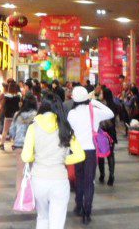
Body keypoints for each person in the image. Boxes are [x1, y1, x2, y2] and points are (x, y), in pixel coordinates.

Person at [22, 92, 85, 229]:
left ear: (42, 106)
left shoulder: (33, 127)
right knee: (57, 222)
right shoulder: (65, 128)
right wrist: (63, 159)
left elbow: (26, 157)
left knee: (42, 217)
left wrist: (37, 157)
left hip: (38, 179)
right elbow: (80, 155)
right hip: (59, 180)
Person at [67, 86, 114, 224]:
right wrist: (94, 102)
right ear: (86, 97)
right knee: (89, 182)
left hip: (77, 151)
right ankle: (87, 213)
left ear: (73, 99)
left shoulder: (71, 114)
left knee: (79, 180)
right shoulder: (94, 112)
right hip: (91, 151)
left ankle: (79, 206)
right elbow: (110, 113)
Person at [9, 93, 38, 191]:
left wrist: (15, 137)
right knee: (33, 172)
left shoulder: (17, 114)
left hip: (19, 146)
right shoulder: (37, 115)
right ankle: (30, 198)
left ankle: (19, 198)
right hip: (33, 147)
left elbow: (12, 131)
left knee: (20, 173)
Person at [97, 87, 118, 186]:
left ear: (104, 95)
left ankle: (103, 175)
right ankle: (111, 175)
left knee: (102, 154)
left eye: (101, 93)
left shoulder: (102, 106)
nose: (100, 94)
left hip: (103, 133)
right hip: (111, 133)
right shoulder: (114, 105)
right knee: (110, 154)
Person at [0, 81, 21, 151]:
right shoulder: (18, 96)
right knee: (15, 130)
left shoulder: (6, 96)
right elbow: (20, 106)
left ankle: (2, 144)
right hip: (15, 115)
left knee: (5, 130)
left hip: (8, 115)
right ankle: (14, 144)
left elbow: (3, 106)